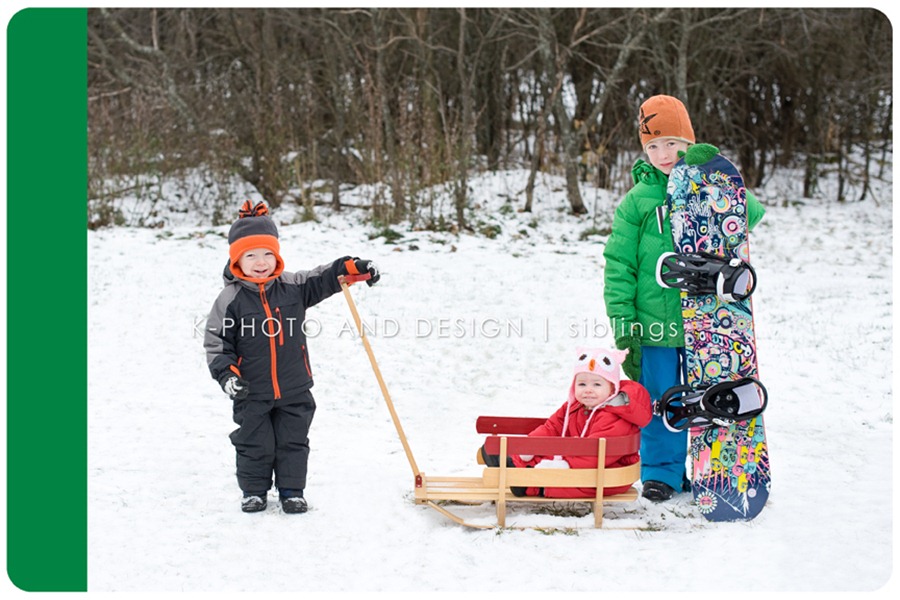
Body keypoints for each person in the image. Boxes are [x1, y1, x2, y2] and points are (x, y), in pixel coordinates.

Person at [603, 94, 766, 502]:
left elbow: (752, 214)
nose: (663, 154)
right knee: (660, 400)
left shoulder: (706, 185)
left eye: (672, 143)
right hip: (654, 321)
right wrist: (622, 318)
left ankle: (707, 469)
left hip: (706, 323)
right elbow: (618, 264)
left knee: (705, 396)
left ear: (689, 143)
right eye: (652, 145)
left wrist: (714, 171)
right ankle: (662, 473)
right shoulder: (637, 201)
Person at [204, 200, 380, 514]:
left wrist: (354, 268)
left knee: (293, 441)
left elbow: (326, 277)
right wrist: (228, 376)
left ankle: (291, 491)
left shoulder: (294, 288)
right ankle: (254, 491)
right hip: (251, 389)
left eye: (268, 254)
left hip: (294, 385)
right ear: (236, 260)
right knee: (254, 442)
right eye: (251, 255)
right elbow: (218, 343)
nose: (261, 262)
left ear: (277, 255)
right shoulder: (230, 299)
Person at [480, 347, 652, 498]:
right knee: (549, 449)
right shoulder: (575, 406)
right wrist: (526, 449)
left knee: (576, 480)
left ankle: (534, 486)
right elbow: (552, 427)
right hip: (578, 458)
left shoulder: (614, 417)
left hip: (607, 473)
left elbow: (593, 456)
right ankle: (515, 464)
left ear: (612, 388)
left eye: (597, 384)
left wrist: (561, 465)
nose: (588, 390)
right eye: (582, 383)